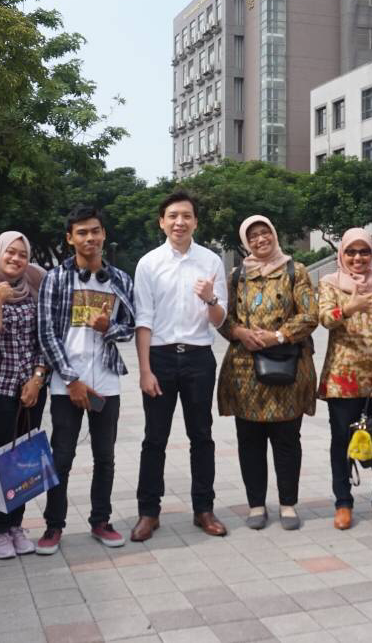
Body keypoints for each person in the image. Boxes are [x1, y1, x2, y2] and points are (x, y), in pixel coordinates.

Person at [36, 206, 137, 553]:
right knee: (61, 457)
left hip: (107, 380)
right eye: (81, 232)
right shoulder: (56, 278)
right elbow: (46, 333)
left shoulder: (121, 280)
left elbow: (130, 328)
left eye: (95, 231)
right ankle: (53, 525)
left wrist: (109, 327)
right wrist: (71, 380)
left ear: (104, 234)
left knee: (104, 457)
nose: (89, 238)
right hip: (66, 384)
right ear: (70, 238)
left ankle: (101, 521)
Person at [131, 191, 229, 541]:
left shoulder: (211, 261)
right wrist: (145, 370)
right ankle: (148, 512)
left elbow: (219, 320)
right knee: (154, 438)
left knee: (201, 436)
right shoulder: (149, 263)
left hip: (199, 358)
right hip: (160, 357)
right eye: (172, 216)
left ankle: (204, 509)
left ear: (196, 222)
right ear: (162, 222)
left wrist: (210, 298)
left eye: (186, 216)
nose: (179, 222)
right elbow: (143, 319)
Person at [218, 215, 318, 531]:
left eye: (265, 233)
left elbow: (310, 315)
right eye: (253, 236)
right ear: (246, 242)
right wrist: (239, 332)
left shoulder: (295, 271)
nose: (261, 239)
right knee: (250, 441)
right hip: (245, 370)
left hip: (288, 366)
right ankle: (256, 505)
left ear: (274, 235)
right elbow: (223, 318)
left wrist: (278, 336)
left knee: (287, 439)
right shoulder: (236, 276)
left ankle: (288, 504)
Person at [318, 227, 372, 530]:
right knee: (341, 441)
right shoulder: (329, 283)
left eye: (364, 251)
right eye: (351, 252)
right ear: (341, 254)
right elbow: (325, 319)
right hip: (342, 375)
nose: (358, 258)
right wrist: (347, 308)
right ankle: (343, 503)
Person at [0, 231, 47, 560]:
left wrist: (38, 378)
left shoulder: (32, 288)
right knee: (4, 459)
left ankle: (16, 525)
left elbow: (44, 338)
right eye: (10, 252)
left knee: (25, 459)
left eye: (22, 254)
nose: (16, 259)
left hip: (31, 388)